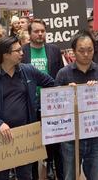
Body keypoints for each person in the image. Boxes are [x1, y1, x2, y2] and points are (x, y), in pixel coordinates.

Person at [0, 36, 55, 180]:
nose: (22, 53)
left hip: (25, 134)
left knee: (25, 175)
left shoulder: (28, 70)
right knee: (1, 176)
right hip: (0, 137)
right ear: (5, 55)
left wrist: (37, 106)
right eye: (18, 50)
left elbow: (52, 84)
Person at [55, 32, 98, 180]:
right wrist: (67, 93)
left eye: (90, 50)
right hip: (70, 136)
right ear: (73, 51)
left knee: (95, 176)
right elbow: (55, 107)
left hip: (95, 135)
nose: (86, 54)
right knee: (70, 176)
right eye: (81, 50)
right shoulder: (63, 74)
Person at [21, 19, 65, 180]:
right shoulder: (23, 52)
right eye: (36, 31)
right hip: (30, 103)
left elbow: (60, 74)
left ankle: (53, 167)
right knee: (32, 142)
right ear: (30, 33)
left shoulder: (53, 50)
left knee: (55, 140)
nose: (40, 34)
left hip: (52, 103)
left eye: (42, 31)